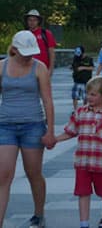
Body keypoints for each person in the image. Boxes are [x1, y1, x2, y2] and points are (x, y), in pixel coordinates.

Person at [0, 31, 56, 228]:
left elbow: (48, 100)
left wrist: (50, 131)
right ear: (14, 49)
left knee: (33, 173)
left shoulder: (39, 68)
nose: (29, 56)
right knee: (3, 175)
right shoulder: (2, 67)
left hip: (33, 126)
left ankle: (39, 214)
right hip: (5, 125)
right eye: (25, 52)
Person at [56, 76, 102, 228]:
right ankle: (84, 223)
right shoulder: (80, 112)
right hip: (82, 162)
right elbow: (71, 131)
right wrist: (56, 139)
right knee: (83, 192)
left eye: (93, 94)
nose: (88, 97)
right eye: (88, 94)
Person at [24, 9, 56, 78]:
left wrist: (51, 69)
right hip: (27, 70)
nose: (32, 22)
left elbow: (52, 53)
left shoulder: (46, 34)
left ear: (38, 21)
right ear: (27, 21)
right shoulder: (24, 34)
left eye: (34, 20)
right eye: (30, 20)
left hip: (43, 70)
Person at [71, 46, 94, 111]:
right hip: (77, 81)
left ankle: (85, 109)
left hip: (86, 81)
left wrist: (83, 68)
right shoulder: (75, 58)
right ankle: (75, 110)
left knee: (85, 97)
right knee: (75, 96)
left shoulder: (89, 59)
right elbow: (75, 68)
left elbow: (92, 68)